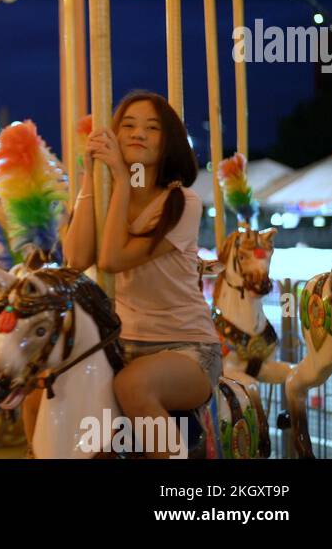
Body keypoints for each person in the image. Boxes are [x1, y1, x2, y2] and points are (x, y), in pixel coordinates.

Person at [47, 90, 221, 457]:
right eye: (127, 125)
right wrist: (91, 180)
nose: (138, 133)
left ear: (168, 141)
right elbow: (76, 258)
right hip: (123, 345)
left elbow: (111, 259)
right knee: (50, 388)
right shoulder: (111, 200)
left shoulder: (181, 203)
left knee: (132, 386)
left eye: (152, 127)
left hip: (185, 347)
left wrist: (122, 180)